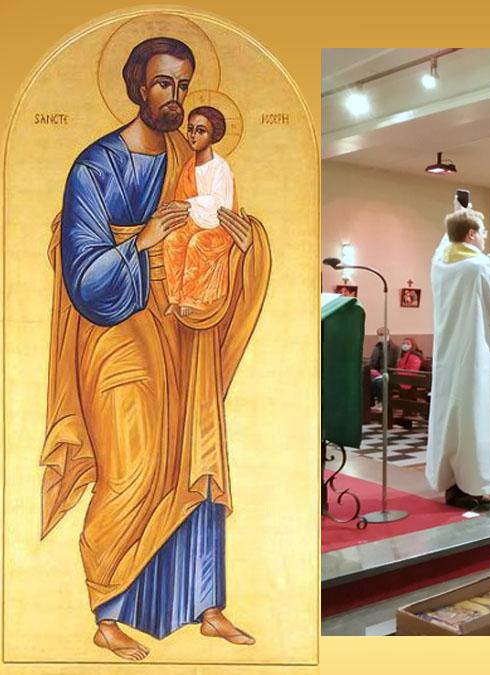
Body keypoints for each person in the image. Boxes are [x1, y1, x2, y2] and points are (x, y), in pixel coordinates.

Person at [42, 36, 266, 658]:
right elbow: (81, 274)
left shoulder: (191, 160)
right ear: (139, 85)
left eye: (185, 85)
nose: (176, 97)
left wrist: (245, 244)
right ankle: (106, 608)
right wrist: (141, 240)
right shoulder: (95, 167)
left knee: (195, 463)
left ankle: (206, 604)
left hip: (182, 327)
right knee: (132, 467)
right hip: (116, 330)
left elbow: (212, 229)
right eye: (165, 83)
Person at [428, 201, 490, 508]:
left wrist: (459, 210)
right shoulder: (480, 267)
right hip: (479, 357)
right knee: (478, 417)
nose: (484, 238)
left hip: (449, 357)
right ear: (471, 235)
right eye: (482, 232)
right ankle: (478, 484)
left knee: (454, 417)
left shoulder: (440, 265)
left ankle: (454, 483)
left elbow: (445, 240)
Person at [163, 106, 235, 318]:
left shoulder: (220, 167)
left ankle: (192, 298)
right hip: (195, 222)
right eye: (191, 129)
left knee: (197, 243)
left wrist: (187, 204)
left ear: (213, 135)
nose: (193, 135)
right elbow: (181, 201)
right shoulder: (189, 167)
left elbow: (219, 203)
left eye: (200, 131)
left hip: (220, 228)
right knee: (173, 240)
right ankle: (175, 298)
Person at [367, 327, 401, 406]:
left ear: (388, 334)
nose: (381, 336)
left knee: (379, 383)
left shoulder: (395, 348)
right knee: (365, 379)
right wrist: (371, 369)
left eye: (383, 334)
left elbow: (396, 365)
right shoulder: (377, 347)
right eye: (379, 335)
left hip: (390, 374)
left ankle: (381, 403)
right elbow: (372, 362)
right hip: (377, 373)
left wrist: (385, 372)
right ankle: (370, 404)